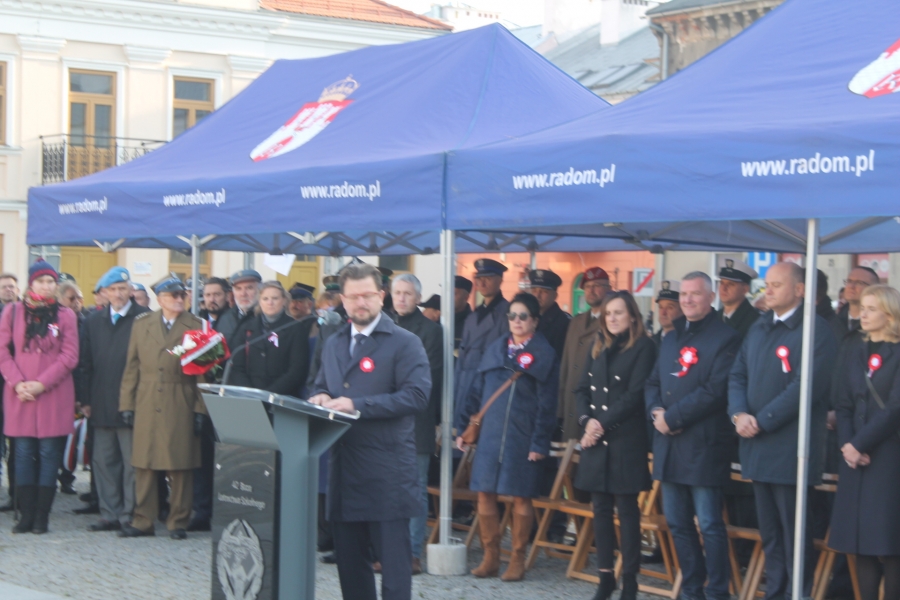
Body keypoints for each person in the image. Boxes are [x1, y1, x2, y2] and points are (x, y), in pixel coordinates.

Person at [309, 262, 431, 600]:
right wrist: (320, 396)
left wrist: (357, 405)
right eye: (352, 297)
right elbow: (320, 384)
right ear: (343, 300)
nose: (359, 303)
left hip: (386, 473)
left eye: (366, 295)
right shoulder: (334, 343)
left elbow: (417, 396)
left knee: (394, 571)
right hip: (344, 470)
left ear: (381, 296)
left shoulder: (404, 342)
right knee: (351, 569)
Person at [728, 262, 837, 600]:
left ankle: (797, 593)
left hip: (791, 450)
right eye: (767, 284)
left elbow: (806, 386)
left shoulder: (815, 330)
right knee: (771, 533)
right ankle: (775, 592)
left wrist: (762, 420)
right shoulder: (760, 327)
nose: (768, 290)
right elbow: (737, 374)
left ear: (800, 290)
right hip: (757, 446)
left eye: (777, 284)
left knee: (794, 533)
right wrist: (739, 414)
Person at [645, 271, 742, 600]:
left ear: (711, 297)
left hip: (703, 446)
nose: (687, 300)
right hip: (669, 444)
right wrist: (657, 413)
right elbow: (652, 382)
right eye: (683, 294)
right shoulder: (671, 337)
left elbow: (716, 390)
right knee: (677, 523)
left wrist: (673, 417)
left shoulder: (726, 337)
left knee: (710, 525)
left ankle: (717, 592)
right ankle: (690, 590)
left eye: (695, 294)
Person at [456, 292, 558, 582]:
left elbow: (548, 404)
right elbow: (476, 392)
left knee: (521, 497)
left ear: (534, 321)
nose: (516, 321)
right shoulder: (496, 348)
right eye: (512, 315)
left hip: (522, 436)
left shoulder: (544, 354)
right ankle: (490, 557)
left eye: (523, 316)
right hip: (490, 434)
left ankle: (517, 559)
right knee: (484, 493)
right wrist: (464, 428)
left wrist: (539, 442)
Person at [576, 291, 656, 600]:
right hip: (597, 438)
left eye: (618, 312)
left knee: (627, 511)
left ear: (632, 316)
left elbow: (635, 395)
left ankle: (630, 581)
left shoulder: (644, 347)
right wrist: (587, 421)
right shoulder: (598, 345)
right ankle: (605, 578)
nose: (612, 318)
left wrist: (599, 425)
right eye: (608, 313)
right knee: (600, 509)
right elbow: (581, 389)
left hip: (625, 440)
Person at [118, 276, 207, 540]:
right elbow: (132, 366)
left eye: (182, 295)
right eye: (173, 295)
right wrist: (127, 404)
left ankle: (178, 521)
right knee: (144, 463)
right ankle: (143, 520)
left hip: (181, 397)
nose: (179, 299)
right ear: (160, 299)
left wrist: (201, 409)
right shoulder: (142, 324)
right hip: (147, 398)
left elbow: (203, 373)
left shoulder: (196, 325)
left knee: (180, 464)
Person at [828, 284, 900, 600]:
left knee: (890, 540)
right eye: (863, 308)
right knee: (861, 541)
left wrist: (860, 444)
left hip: (888, 456)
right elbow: (843, 403)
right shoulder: (856, 349)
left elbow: (895, 407)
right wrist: (849, 446)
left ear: (890, 315)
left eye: (872, 309)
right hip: (855, 458)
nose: (863, 314)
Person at [0, 260, 79, 534]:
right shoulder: (12, 312)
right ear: (31, 283)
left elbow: (70, 355)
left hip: (53, 394)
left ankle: (42, 516)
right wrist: (18, 383)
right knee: (22, 453)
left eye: (50, 281)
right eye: (41, 281)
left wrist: (41, 384)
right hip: (20, 395)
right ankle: (26, 514)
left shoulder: (65, 315)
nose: (46, 286)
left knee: (48, 454)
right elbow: (3, 351)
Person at [79, 267, 149, 532]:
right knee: (104, 462)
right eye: (112, 289)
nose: (118, 294)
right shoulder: (93, 321)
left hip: (133, 402)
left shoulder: (144, 318)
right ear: (104, 293)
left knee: (132, 463)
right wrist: (85, 399)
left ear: (130, 290)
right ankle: (109, 513)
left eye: (122, 288)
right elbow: (84, 362)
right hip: (101, 401)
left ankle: (129, 515)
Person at [391, 274, 442, 575]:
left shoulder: (431, 331)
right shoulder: (383, 324)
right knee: (388, 488)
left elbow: (427, 376)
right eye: (397, 292)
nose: (401, 298)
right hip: (383, 420)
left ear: (418, 298)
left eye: (407, 293)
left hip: (416, 419)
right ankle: (388, 550)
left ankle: (411, 553)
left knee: (415, 488)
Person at [454, 259, 510, 432]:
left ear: (500, 280)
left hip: (487, 391)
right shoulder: (473, 316)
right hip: (463, 388)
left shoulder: (507, 315)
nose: (482, 283)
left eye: (488, 278)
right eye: (479, 278)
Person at [229, 281, 312, 396]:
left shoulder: (296, 329)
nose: (270, 303)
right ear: (259, 301)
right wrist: (251, 394)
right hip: (250, 397)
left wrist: (268, 395)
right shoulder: (246, 328)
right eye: (265, 299)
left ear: (284, 300)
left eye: (275, 298)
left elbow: (297, 370)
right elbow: (237, 368)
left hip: (282, 397)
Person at [559, 267, 611, 441]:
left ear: (608, 288)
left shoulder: (611, 321)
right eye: (587, 286)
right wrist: (560, 409)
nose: (591, 290)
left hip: (594, 408)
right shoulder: (576, 322)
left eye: (597, 286)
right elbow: (566, 366)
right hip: (571, 404)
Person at [0, 272, 18, 511]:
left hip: (17, 388)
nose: (8, 290)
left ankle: (16, 495)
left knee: (17, 447)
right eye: (4, 286)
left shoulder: (24, 313)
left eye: (12, 286)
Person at [529, 268, 571, 359]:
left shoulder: (564, 322)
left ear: (555, 296)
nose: (537, 295)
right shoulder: (525, 317)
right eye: (534, 291)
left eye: (544, 291)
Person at [216, 269, 262, 348]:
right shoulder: (225, 318)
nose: (243, 294)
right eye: (238, 289)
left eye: (249, 288)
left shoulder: (266, 318)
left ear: (259, 290)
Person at [717, 257, 761, 338]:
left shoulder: (755, 321)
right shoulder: (714, 317)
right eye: (722, 283)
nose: (724, 288)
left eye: (731, 284)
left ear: (745, 289)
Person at [652, 280, 683, 347]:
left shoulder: (688, 341)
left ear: (682, 310)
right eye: (661, 307)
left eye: (670, 307)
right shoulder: (651, 342)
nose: (663, 312)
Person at [454, 276, 473, 351]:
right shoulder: (437, 318)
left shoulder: (473, 323)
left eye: (454, 293)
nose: (448, 297)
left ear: (466, 297)